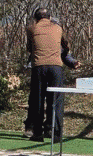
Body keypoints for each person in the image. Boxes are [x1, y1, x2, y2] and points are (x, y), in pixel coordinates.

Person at [26, 8, 80, 142]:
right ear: (49, 18)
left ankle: (37, 133)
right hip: (56, 67)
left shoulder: (31, 29)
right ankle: (55, 133)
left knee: (38, 99)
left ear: (36, 18)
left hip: (39, 66)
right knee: (56, 100)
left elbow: (29, 48)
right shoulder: (58, 28)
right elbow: (65, 46)